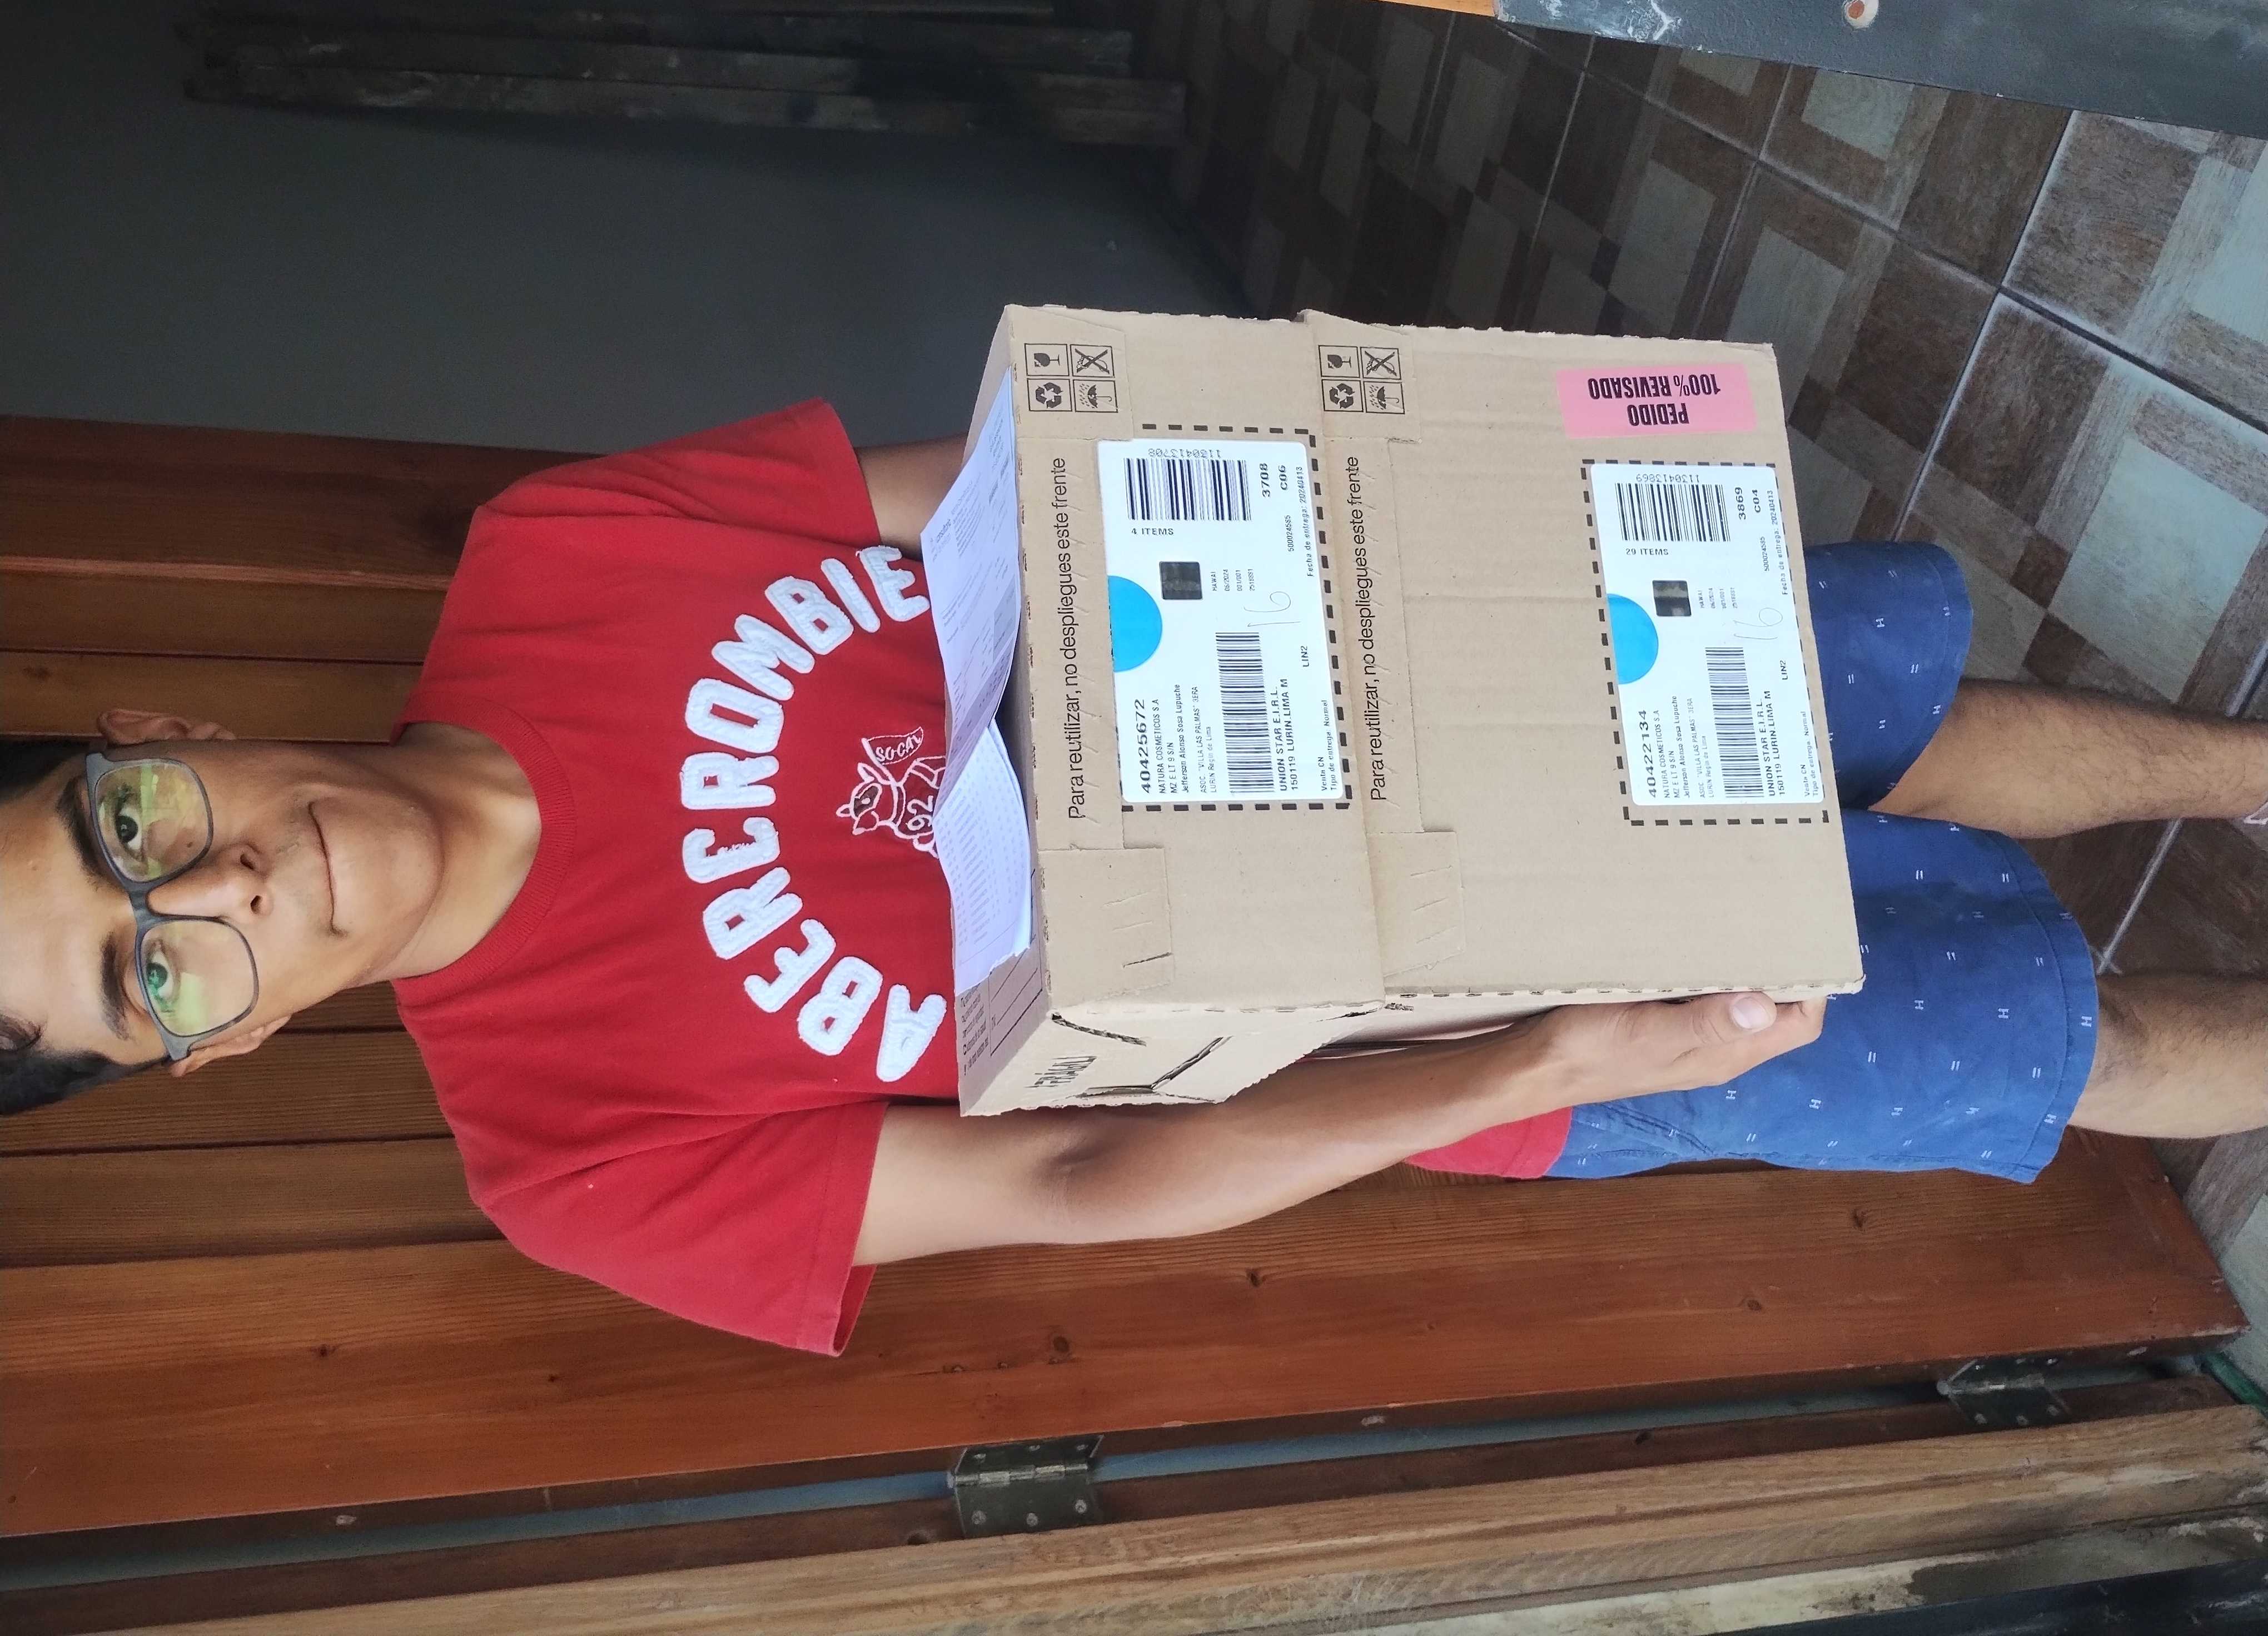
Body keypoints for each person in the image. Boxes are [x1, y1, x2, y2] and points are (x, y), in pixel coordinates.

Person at [4, 401, 2265, 1356]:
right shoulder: (566, 1164)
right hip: (1480, 1022)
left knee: (1907, 731)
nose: (218, 894)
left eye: (126, 833)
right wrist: (1540, 1058)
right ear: (214, 1051)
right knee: (2073, 1042)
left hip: (1453, 662)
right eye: (146, 977)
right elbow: (1077, 1179)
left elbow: (1027, 481)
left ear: (157, 738)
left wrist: (1370, 461)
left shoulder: (554, 554)